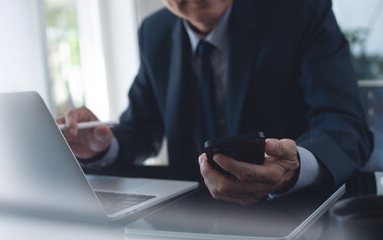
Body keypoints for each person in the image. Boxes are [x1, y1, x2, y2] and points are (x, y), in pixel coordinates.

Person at [57, 0, 373, 205]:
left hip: (299, 217)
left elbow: (345, 126)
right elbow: (141, 128)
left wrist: (295, 167)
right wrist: (101, 145)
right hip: (193, 223)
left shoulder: (302, 11)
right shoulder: (155, 33)